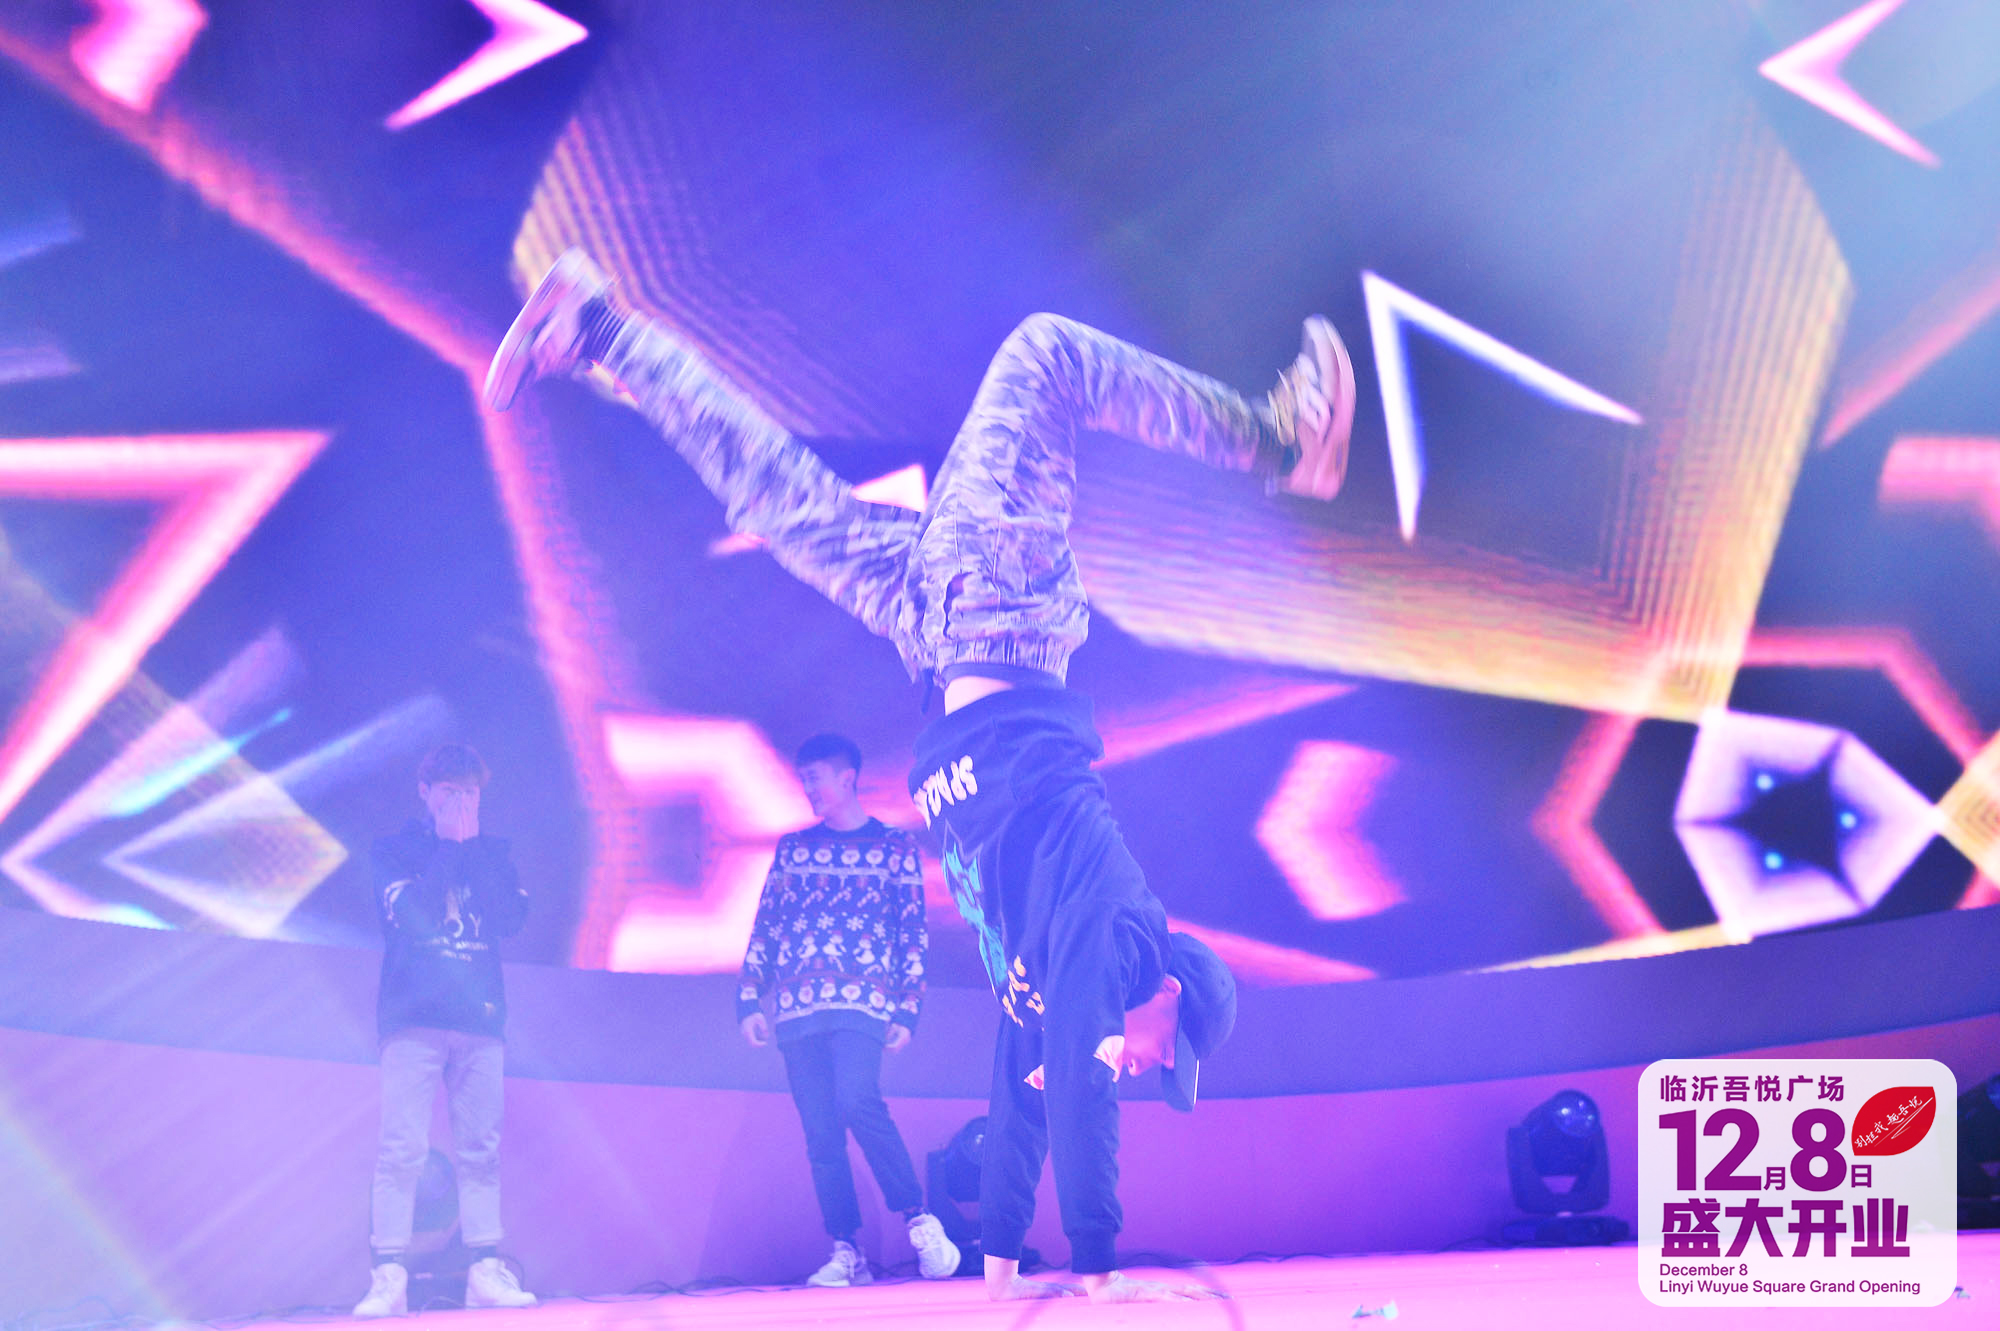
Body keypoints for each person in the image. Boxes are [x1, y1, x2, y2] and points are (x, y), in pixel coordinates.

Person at [485, 249, 1355, 1302]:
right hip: (999, 606)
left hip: (935, 627)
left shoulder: (1049, 979)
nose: (1145, 1071)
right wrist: (1096, 1265)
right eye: (1164, 1057)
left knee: (774, 497)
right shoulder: (1117, 926)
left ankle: (603, 332)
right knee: (1045, 352)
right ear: (1167, 993)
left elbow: (1024, 1093)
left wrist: (1001, 1271)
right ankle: (1278, 438)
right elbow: (1080, 1099)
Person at [738, 732, 960, 1286]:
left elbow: (912, 934)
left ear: (847, 778)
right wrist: (749, 996)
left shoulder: (894, 847)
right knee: (821, 1134)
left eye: (816, 777)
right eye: (803, 779)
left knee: (858, 1099)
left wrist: (908, 1010)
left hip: (864, 1001)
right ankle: (847, 1250)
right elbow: (767, 924)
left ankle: (920, 1220)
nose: (809, 788)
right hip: (796, 1008)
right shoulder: (793, 849)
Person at [355, 744, 537, 1317]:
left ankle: (485, 1268)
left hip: (479, 1019)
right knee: (401, 1148)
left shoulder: (494, 853)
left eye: (471, 793)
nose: (461, 803)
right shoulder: (393, 852)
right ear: (425, 792)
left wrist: (472, 850)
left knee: (481, 1149)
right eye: (449, 791)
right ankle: (388, 1275)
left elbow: (509, 919)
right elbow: (415, 919)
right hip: (412, 1017)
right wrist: (448, 848)